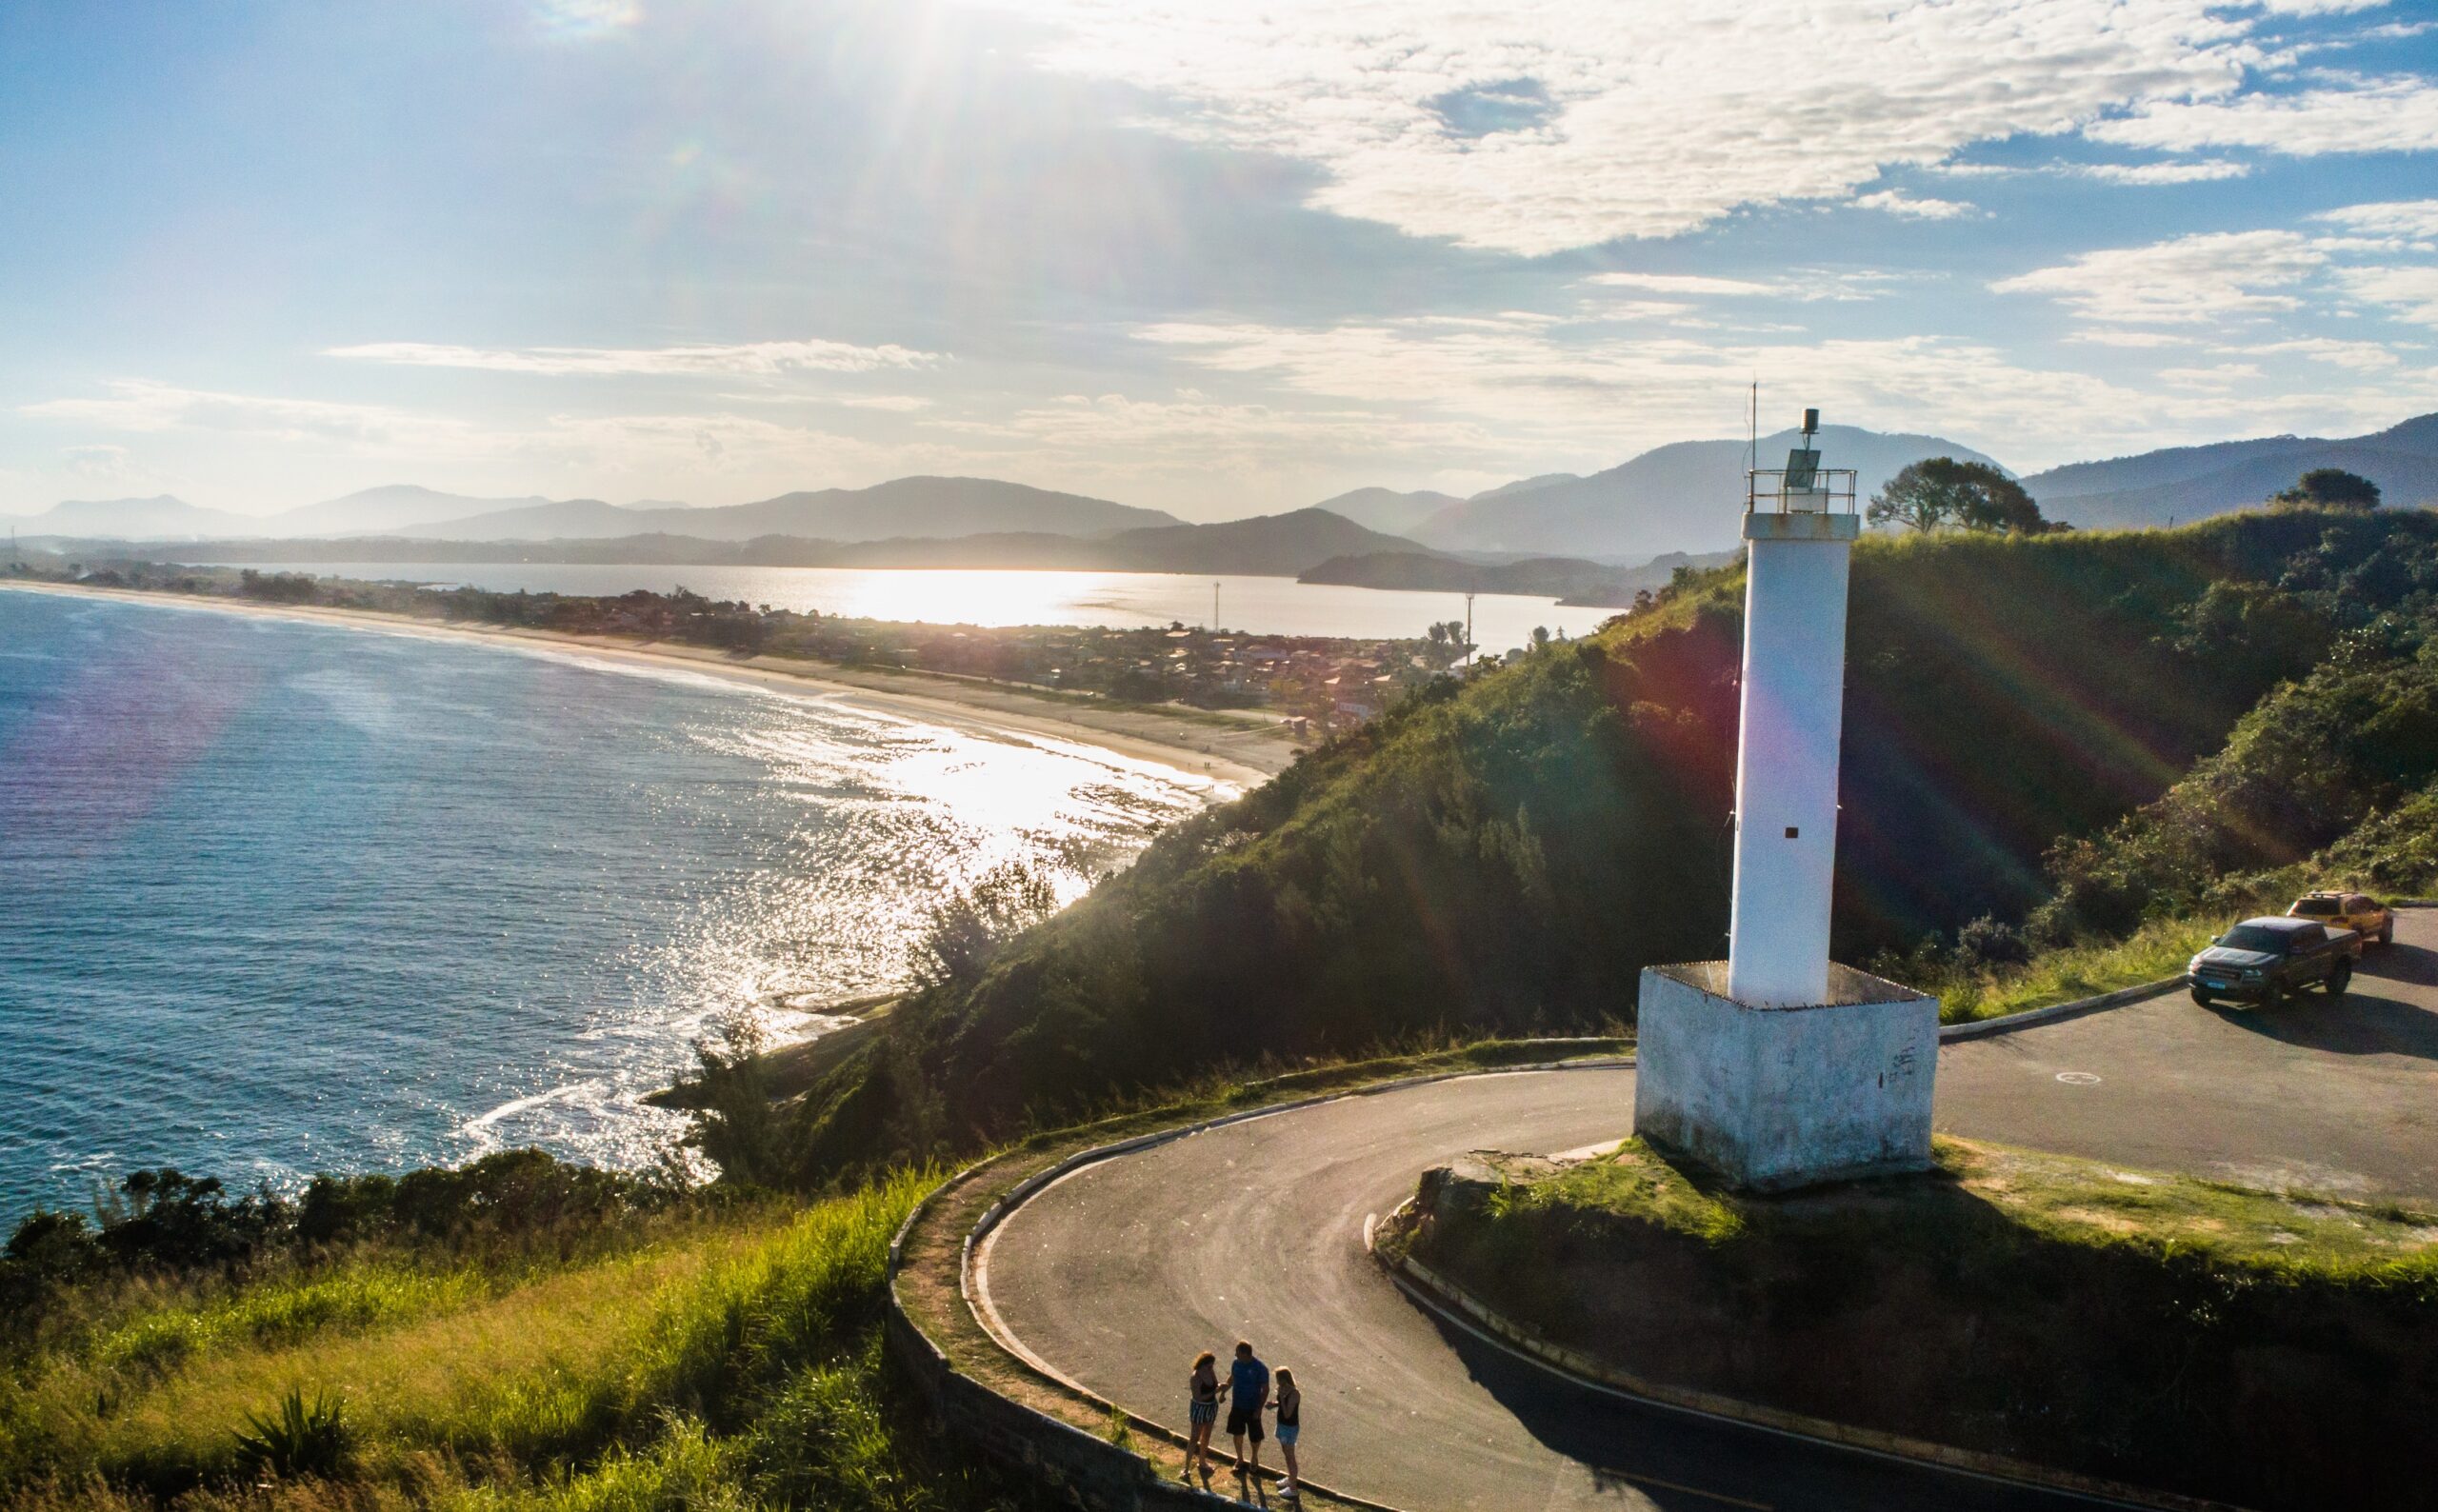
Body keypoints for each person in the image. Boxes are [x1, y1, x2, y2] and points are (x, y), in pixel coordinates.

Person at [1227, 1340, 1270, 1492]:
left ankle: (1254, 1458)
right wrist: (1225, 1389)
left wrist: (1259, 1409)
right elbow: (1232, 1378)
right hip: (1237, 1405)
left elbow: (1265, 1389)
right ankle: (1239, 1459)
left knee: (1255, 1436)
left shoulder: (1260, 1368)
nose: (1235, 1355)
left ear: (1245, 1354)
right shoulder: (1236, 1363)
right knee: (1237, 1433)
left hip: (1253, 1407)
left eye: (1237, 1353)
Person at [1184, 1350, 1222, 1485]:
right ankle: (1186, 1468)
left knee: (1206, 1436)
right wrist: (1214, 1391)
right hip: (1199, 1408)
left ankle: (1202, 1461)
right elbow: (1198, 1397)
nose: (1212, 1369)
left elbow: (1215, 1384)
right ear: (1203, 1364)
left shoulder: (1210, 1371)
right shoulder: (1195, 1377)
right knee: (1194, 1437)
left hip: (1210, 1407)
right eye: (1209, 1366)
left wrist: (1220, 1388)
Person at [1269, 1366, 1302, 1501]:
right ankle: (1290, 1478)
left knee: (1290, 1457)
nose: (1277, 1382)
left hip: (1289, 1427)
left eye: (1278, 1379)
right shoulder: (1283, 1389)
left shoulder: (1294, 1393)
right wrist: (1275, 1403)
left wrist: (1282, 1399)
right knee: (1286, 1454)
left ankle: (1293, 1488)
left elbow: (1288, 1414)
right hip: (1282, 1425)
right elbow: (1283, 1406)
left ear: (1284, 1378)